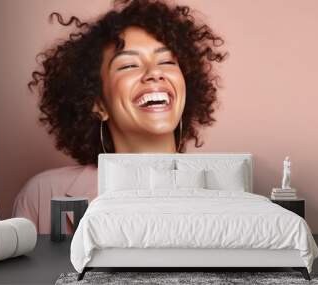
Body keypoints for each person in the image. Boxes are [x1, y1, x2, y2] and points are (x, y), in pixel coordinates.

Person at [12, 0, 227, 234]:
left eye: (166, 62)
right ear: (98, 104)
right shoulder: (44, 195)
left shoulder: (223, 193)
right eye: (128, 65)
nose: (155, 73)